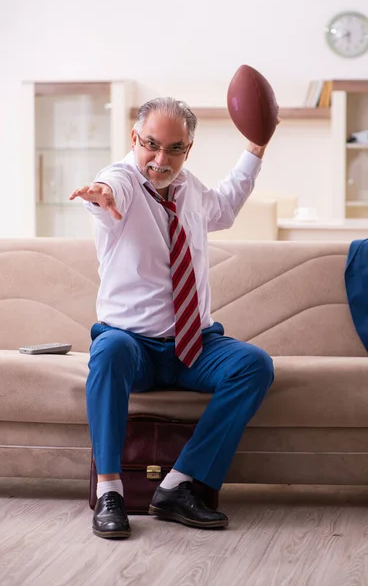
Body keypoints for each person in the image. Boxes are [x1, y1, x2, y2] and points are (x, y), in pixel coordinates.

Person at [69, 97, 278, 539]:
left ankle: (179, 486)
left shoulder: (190, 191)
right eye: (151, 145)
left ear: (188, 149)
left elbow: (226, 205)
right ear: (134, 139)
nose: (160, 160)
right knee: (107, 351)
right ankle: (111, 492)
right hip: (133, 345)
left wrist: (256, 147)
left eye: (175, 149)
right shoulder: (122, 180)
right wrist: (100, 196)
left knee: (254, 365)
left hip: (193, 344)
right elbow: (111, 187)